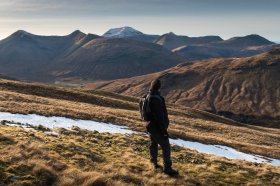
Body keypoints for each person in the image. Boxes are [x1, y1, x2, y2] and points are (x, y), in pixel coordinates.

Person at [146, 79, 179, 176]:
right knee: (166, 147)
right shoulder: (156, 99)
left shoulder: (147, 96)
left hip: (150, 126)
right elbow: (160, 117)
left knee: (153, 143)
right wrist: (164, 130)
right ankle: (167, 169)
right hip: (157, 127)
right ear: (159, 87)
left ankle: (153, 163)